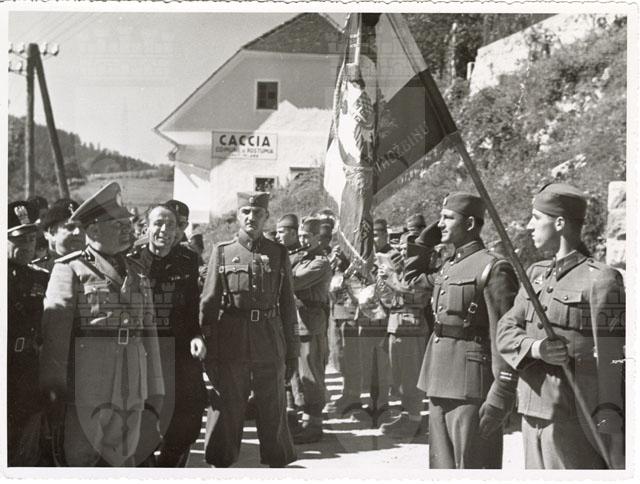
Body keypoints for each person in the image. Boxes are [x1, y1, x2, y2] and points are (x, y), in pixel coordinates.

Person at [496, 183, 625, 469]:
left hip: (576, 419)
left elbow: (613, 362)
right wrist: (536, 348)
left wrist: (614, 434)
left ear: (559, 223)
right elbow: (505, 330)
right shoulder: (535, 274)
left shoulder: (602, 280)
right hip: (531, 411)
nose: (529, 226)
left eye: (536, 218)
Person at [39, 182, 164, 467]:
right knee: (81, 459)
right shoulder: (70, 268)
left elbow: (149, 333)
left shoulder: (136, 272)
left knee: (123, 457)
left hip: (131, 382)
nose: (127, 230)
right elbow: (56, 339)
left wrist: (155, 386)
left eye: (128, 223)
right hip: (88, 386)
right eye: (118, 224)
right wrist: (54, 390)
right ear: (93, 231)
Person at [407, 192, 519, 468]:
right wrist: (423, 243)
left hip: (472, 386)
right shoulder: (449, 265)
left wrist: (501, 393)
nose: (440, 224)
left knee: (472, 466)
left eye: (447, 218)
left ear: (469, 224)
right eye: (440, 218)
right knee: (442, 468)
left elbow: (504, 336)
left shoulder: (493, 267)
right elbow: (412, 280)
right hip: (438, 378)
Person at [200, 192, 298, 468]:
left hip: (269, 337)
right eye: (246, 212)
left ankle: (277, 463)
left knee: (273, 405)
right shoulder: (223, 252)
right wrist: (209, 348)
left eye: (257, 213)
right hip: (232, 338)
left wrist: (292, 350)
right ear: (238, 216)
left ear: (266, 217)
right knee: (228, 405)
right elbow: (208, 303)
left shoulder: (278, 253)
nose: (251, 217)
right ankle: (221, 463)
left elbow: (287, 303)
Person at [127, 204, 208, 467]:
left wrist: (197, 336)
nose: (164, 230)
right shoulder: (130, 258)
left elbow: (192, 304)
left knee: (189, 414)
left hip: (179, 347)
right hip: (141, 347)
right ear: (146, 227)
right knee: (142, 414)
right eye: (158, 223)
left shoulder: (188, 258)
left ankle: (169, 465)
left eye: (170, 225)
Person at [7, 201, 50, 466]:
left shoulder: (40, 278)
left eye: (31, 239)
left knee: (25, 436)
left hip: (27, 366)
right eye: (19, 239)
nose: (27, 245)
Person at [376, 232, 431, 439]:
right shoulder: (400, 270)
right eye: (399, 248)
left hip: (412, 328)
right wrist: (382, 280)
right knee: (398, 377)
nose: (400, 252)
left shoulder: (422, 271)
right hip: (396, 327)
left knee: (411, 377)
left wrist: (391, 277)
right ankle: (406, 415)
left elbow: (414, 295)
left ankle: (414, 420)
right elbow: (389, 300)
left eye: (405, 249)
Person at [289, 218, 333, 444]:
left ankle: (314, 424)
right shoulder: (301, 258)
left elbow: (294, 282)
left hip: (311, 322)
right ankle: (304, 418)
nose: (303, 240)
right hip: (299, 321)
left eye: (307, 236)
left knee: (311, 372)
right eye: (301, 236)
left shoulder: (320, 262)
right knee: (298, 374)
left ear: (318, 237)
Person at [33, 199, 84, 272]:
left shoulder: (93, 262)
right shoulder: (38, 269)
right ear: (52, 232)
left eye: (81, 227)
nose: (78, 232)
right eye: (70, 227)